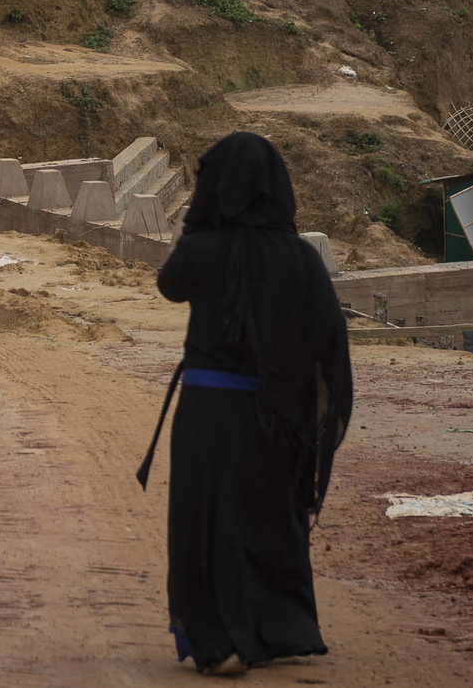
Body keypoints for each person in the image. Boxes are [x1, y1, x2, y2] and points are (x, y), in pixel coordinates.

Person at [150, 131, 352, 678]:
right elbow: (328, 340)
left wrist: (200, 223)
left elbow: (169, 285)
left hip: (207, 416)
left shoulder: (201, 250)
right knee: (267, 518)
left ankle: (220, 643)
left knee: (207, 522)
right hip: (275, 417)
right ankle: (277, 629)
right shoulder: (301, 258)